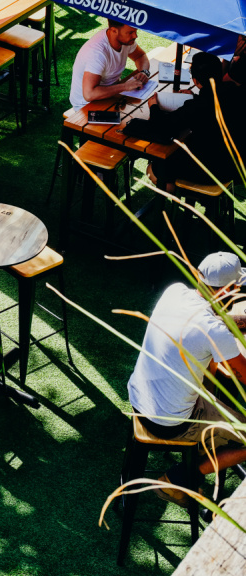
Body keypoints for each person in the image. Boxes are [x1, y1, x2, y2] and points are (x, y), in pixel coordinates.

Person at [127, 252, 246, 506]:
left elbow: (202, 323)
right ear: (230, 289)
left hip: (138, 399)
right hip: (172, 423)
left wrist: (234, 321)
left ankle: (201, 454)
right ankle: (178, 479)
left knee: (209, 385)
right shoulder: (215, 332)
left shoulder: (174, 291)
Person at [147, 51, 245, 191]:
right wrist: (194, 98)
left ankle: (186, 195)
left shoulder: (198, 107)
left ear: (196, 81)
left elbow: (164, 127)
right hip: (238, 165)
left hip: (214, 170)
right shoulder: (236, 91)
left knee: (155, 170)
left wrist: (154, 107)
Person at [69, 21, 150, 109]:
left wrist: (144, 72)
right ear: (114, 31)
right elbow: (89, 94)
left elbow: (140, 56)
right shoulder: (97, 53)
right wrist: (125, 86)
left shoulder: (125, 40)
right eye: (130, 32)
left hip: (112, 93)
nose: (135, 36)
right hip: (87, 104)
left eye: (135, 31)